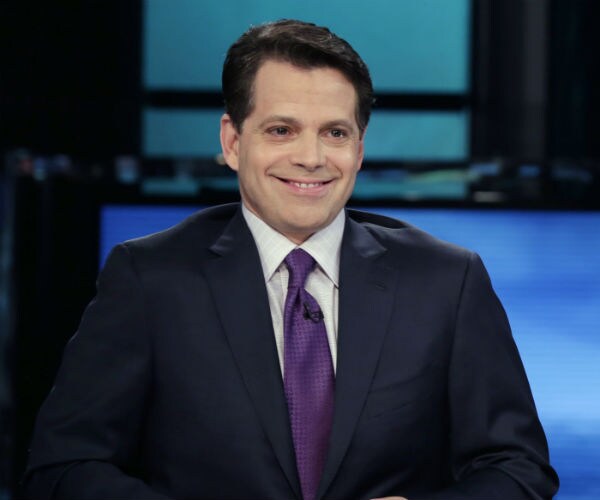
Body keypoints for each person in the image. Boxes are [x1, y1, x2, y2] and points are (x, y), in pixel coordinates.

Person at [23, 19, 558, 500]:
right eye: (281, 130)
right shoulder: (150, 279)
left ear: (360, 149)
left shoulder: (447, 281)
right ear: (233, 141)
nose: (311, 157)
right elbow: (62, 469)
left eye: (335, 133)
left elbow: (519, 469)